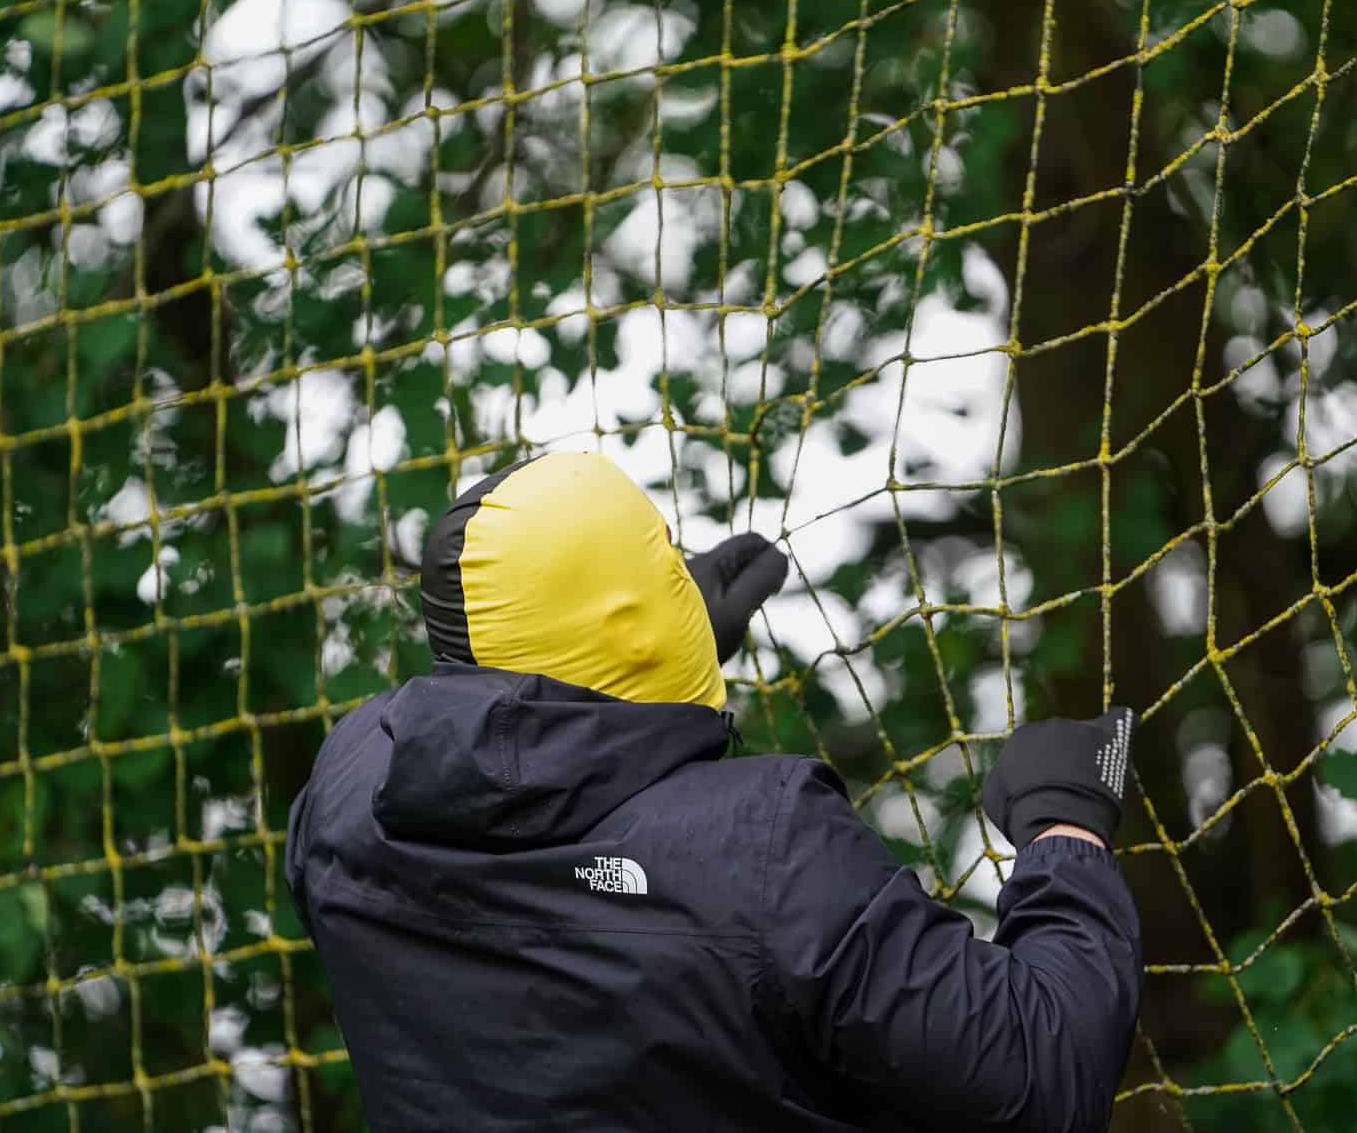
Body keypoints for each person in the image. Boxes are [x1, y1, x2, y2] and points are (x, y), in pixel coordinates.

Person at [285, 451, 1143, 1132]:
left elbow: (498, 741)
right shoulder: (765, 846)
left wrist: (662, 646)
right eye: (661, 556)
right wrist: (1066, 829)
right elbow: (1044, 1079)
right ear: (626, 627)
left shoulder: (344, 796)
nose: (676, 568)